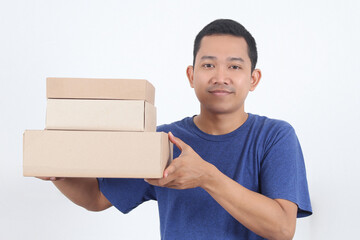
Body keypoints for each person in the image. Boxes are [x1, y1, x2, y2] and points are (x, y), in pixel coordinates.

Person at [40, 19, 312, 239]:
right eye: (208, 65)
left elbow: (282, 229)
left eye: (234, 66)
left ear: (253, 78)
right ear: (191, 76)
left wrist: (207, 176)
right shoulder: (164, 140)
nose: (220, 77)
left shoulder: (275, 136)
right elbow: (97, 197)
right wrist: (58, 173)